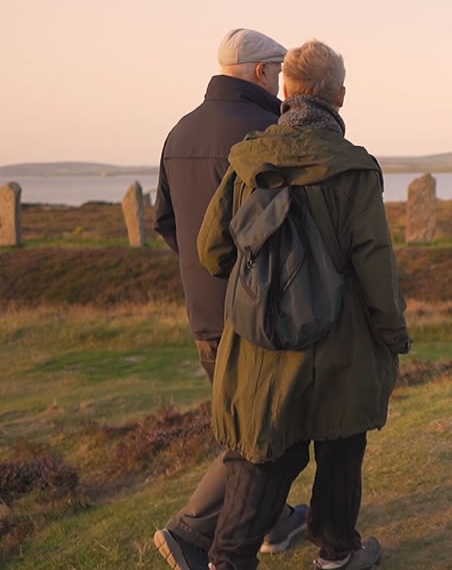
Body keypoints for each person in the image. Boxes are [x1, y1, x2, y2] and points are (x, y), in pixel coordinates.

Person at [197, 38, 410, 570]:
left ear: (287, 90)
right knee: (340, 446)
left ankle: (228, 558)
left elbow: (211, 250)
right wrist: (393, 334)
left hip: (262, 340)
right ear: (339, 95)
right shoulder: (354, 170)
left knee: (262, 455)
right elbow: (375, 267)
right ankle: (337, 554)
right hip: (341, 340)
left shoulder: (247, 161)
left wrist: (264, 279)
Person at [153, 28, 308, 570]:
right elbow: (288, 228)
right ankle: (190, 530)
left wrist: (203, 273)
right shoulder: (266, 130)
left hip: (203, 314)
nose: (285, 85)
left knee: (247, 426)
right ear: (263, 73)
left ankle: (275, 519)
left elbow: (165, 221)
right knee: (259, 435)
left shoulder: (179, 132)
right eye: (280, 73)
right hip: (254, 315)